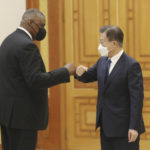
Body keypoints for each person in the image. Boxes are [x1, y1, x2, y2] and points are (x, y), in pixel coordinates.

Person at [0, 8, 76, 150]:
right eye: (41, 26)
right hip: (23, 117)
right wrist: (65, 71)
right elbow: (35, 80)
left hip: (7, 115)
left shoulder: (8, 40)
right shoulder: (27, 46)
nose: (43, 30)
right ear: (29, 22)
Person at [75, 25, 145, 150]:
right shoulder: (102, 61)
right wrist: (77, 71)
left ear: (114, 43)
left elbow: (136, 99)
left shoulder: (131, 65)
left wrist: (134, 127)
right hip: (106, 126)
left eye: (102, 42)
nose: (99, 45)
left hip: (124, 129)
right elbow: (88, 75)